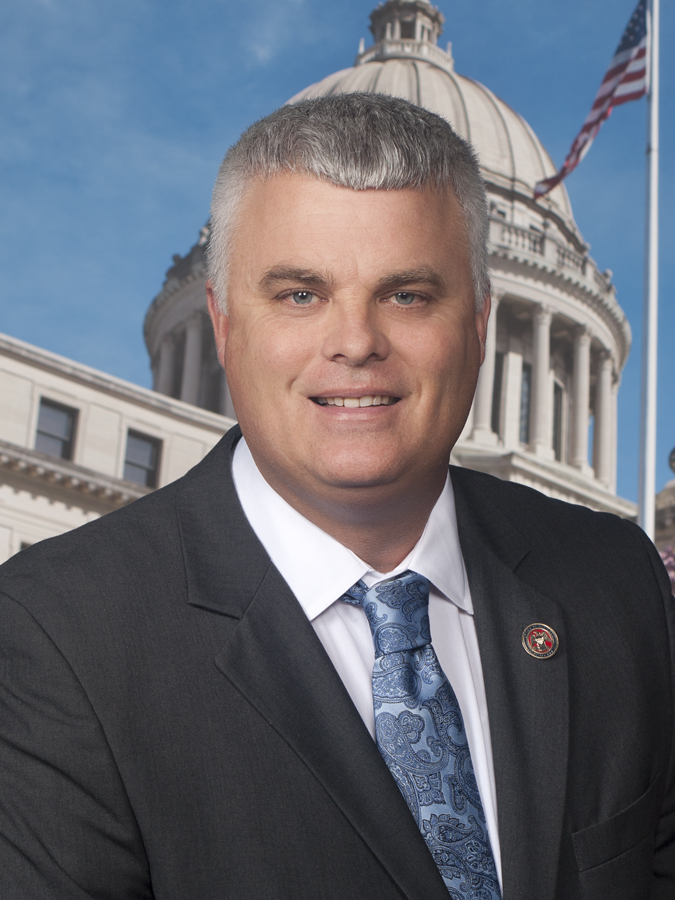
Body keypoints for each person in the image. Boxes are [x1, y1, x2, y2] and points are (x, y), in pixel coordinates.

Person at [0, 93, 673, 900]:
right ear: (221, 323)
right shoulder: (55, 632)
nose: (355, 343)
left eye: (408, 295)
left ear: (482, 323)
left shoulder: (612, 581)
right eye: (299, 294)